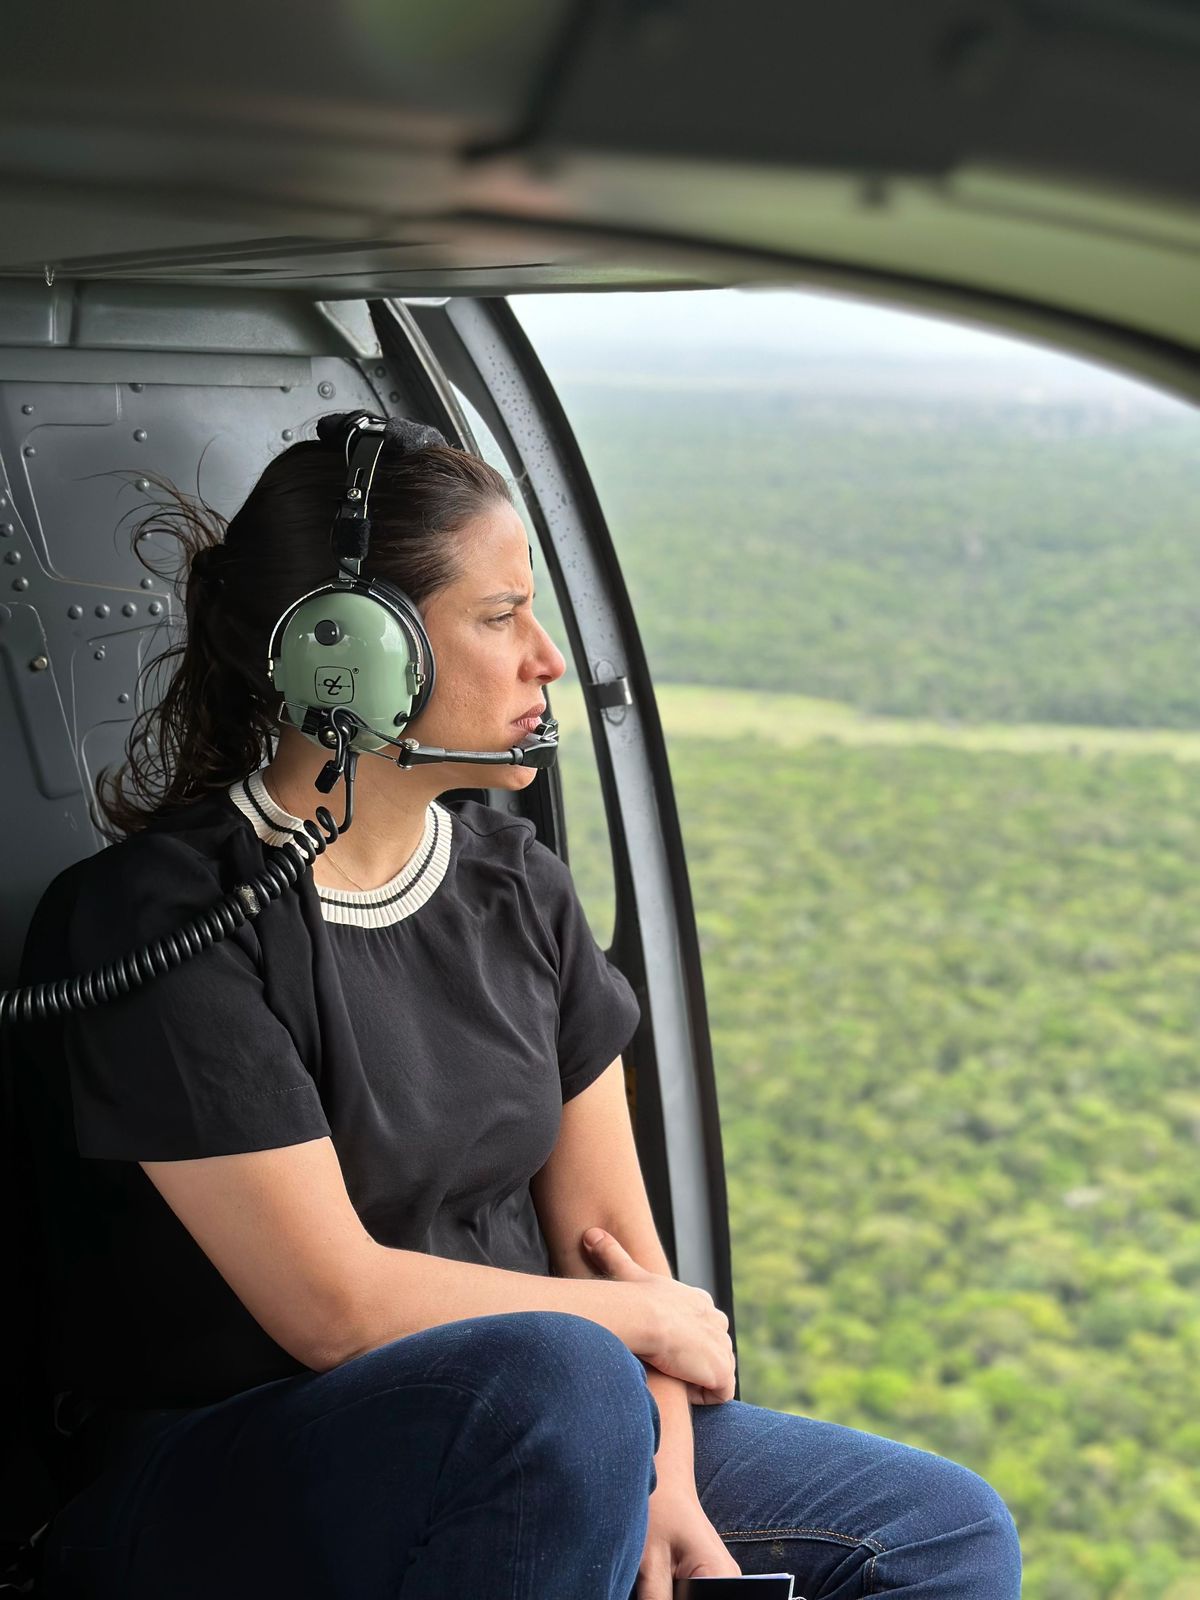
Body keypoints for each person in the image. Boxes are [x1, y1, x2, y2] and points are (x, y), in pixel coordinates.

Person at [15, 422, 1022, 1599]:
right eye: (499, 617)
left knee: (939, 1530)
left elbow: (620, 1256)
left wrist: (666, 1484)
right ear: (351, 657)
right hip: (233, 1470)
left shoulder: (516, 884)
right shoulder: (157, 924)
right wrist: (627, 1345)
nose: (546, 658)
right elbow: (334, 1307)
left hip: (558, 1425)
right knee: (558, 1380)